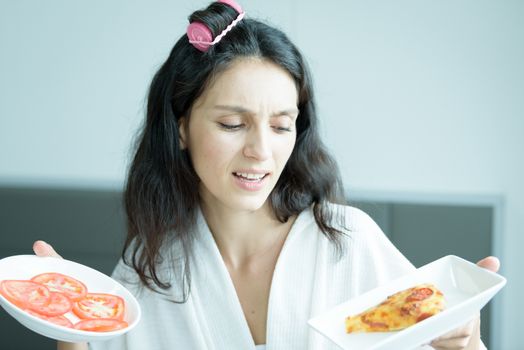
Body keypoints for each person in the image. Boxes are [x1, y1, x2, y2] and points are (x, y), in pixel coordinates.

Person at [33, 0, 500, 349]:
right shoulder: (150, 266)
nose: (261, 151)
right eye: (232, 125)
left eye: (281, 125)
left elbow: (433, 332)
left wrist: (463, 338)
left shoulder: (348, 242)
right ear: (180, 129)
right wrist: (72, 336)